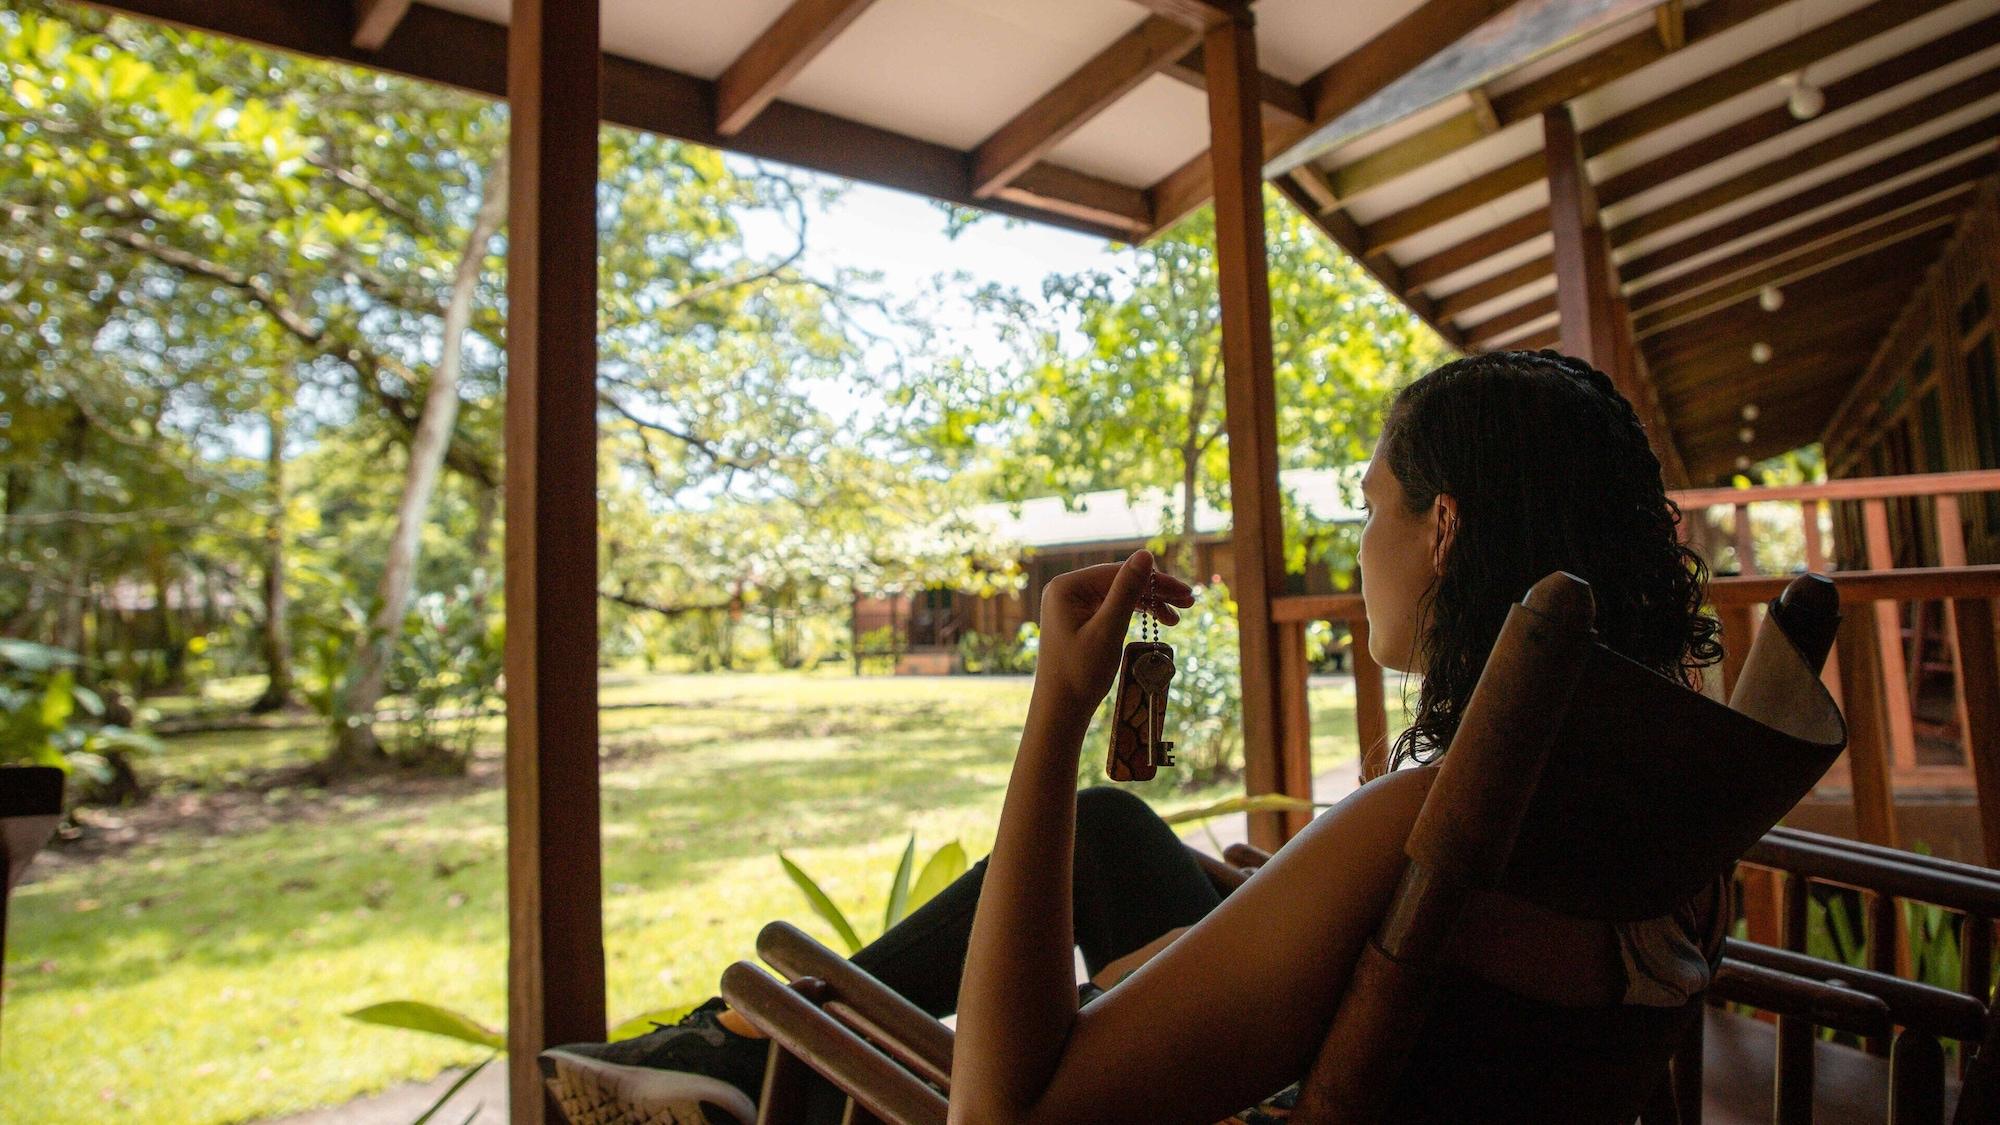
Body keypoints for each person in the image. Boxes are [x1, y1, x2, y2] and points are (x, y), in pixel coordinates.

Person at [541, 349, 1725, 1124]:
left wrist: (1056, 711)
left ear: (1443, 530)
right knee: (1109, 835)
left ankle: (749, 1061)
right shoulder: (1650, 776)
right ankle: (730, 1057)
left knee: (1076, 837)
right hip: (1427, 1054)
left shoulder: (1424, 821)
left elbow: (1006, 1111)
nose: (1358, 545)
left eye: (1369, 507)